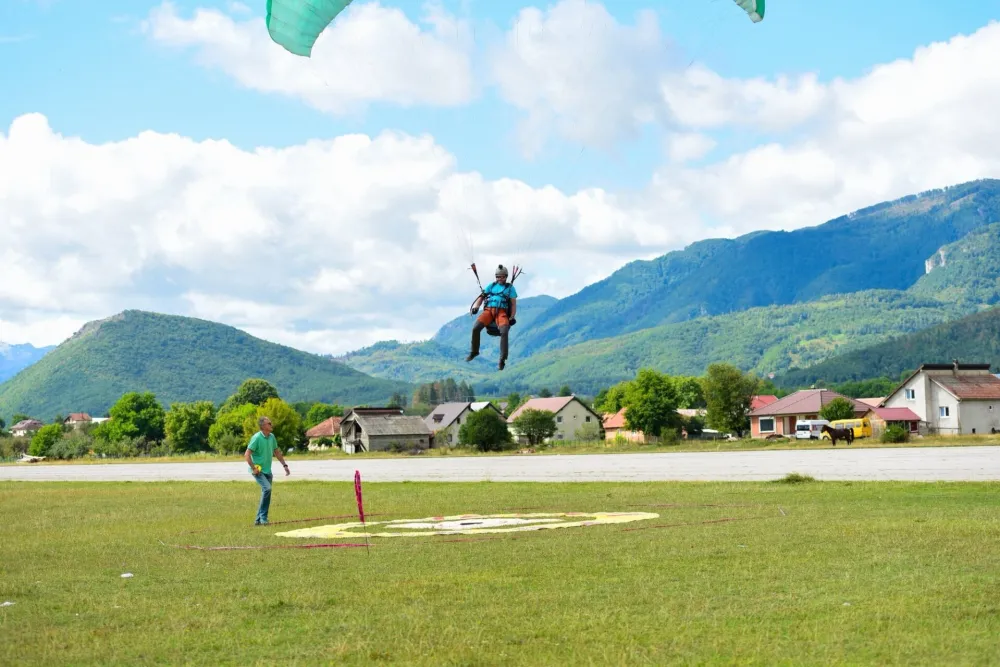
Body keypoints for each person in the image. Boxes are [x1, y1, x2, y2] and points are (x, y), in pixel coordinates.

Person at [466, 264, 517, 370]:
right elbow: (481, 297)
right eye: (498, 276)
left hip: (501, 312)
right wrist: (476, 307)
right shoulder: (491, 286)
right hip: (488, 311)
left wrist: (512, 317)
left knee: (504, 330)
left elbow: (513, 304)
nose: (500, 279)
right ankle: (474, 351)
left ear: (506, 277)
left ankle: (502, 359)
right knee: (476, 328)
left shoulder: (510, 288)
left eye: (502, 276)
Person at [244, 416, 290, 526]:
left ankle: (258, 520)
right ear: (263, 426)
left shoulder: (272, 437)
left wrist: (284, 465)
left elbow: (277, 452)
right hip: (258, 471)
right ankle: (263, 518)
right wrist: (254, 468)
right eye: (269, 423)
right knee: (267, 489)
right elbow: (247, 454)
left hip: (268, 471)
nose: (271, 425)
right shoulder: (256, 438)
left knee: (266, 493)